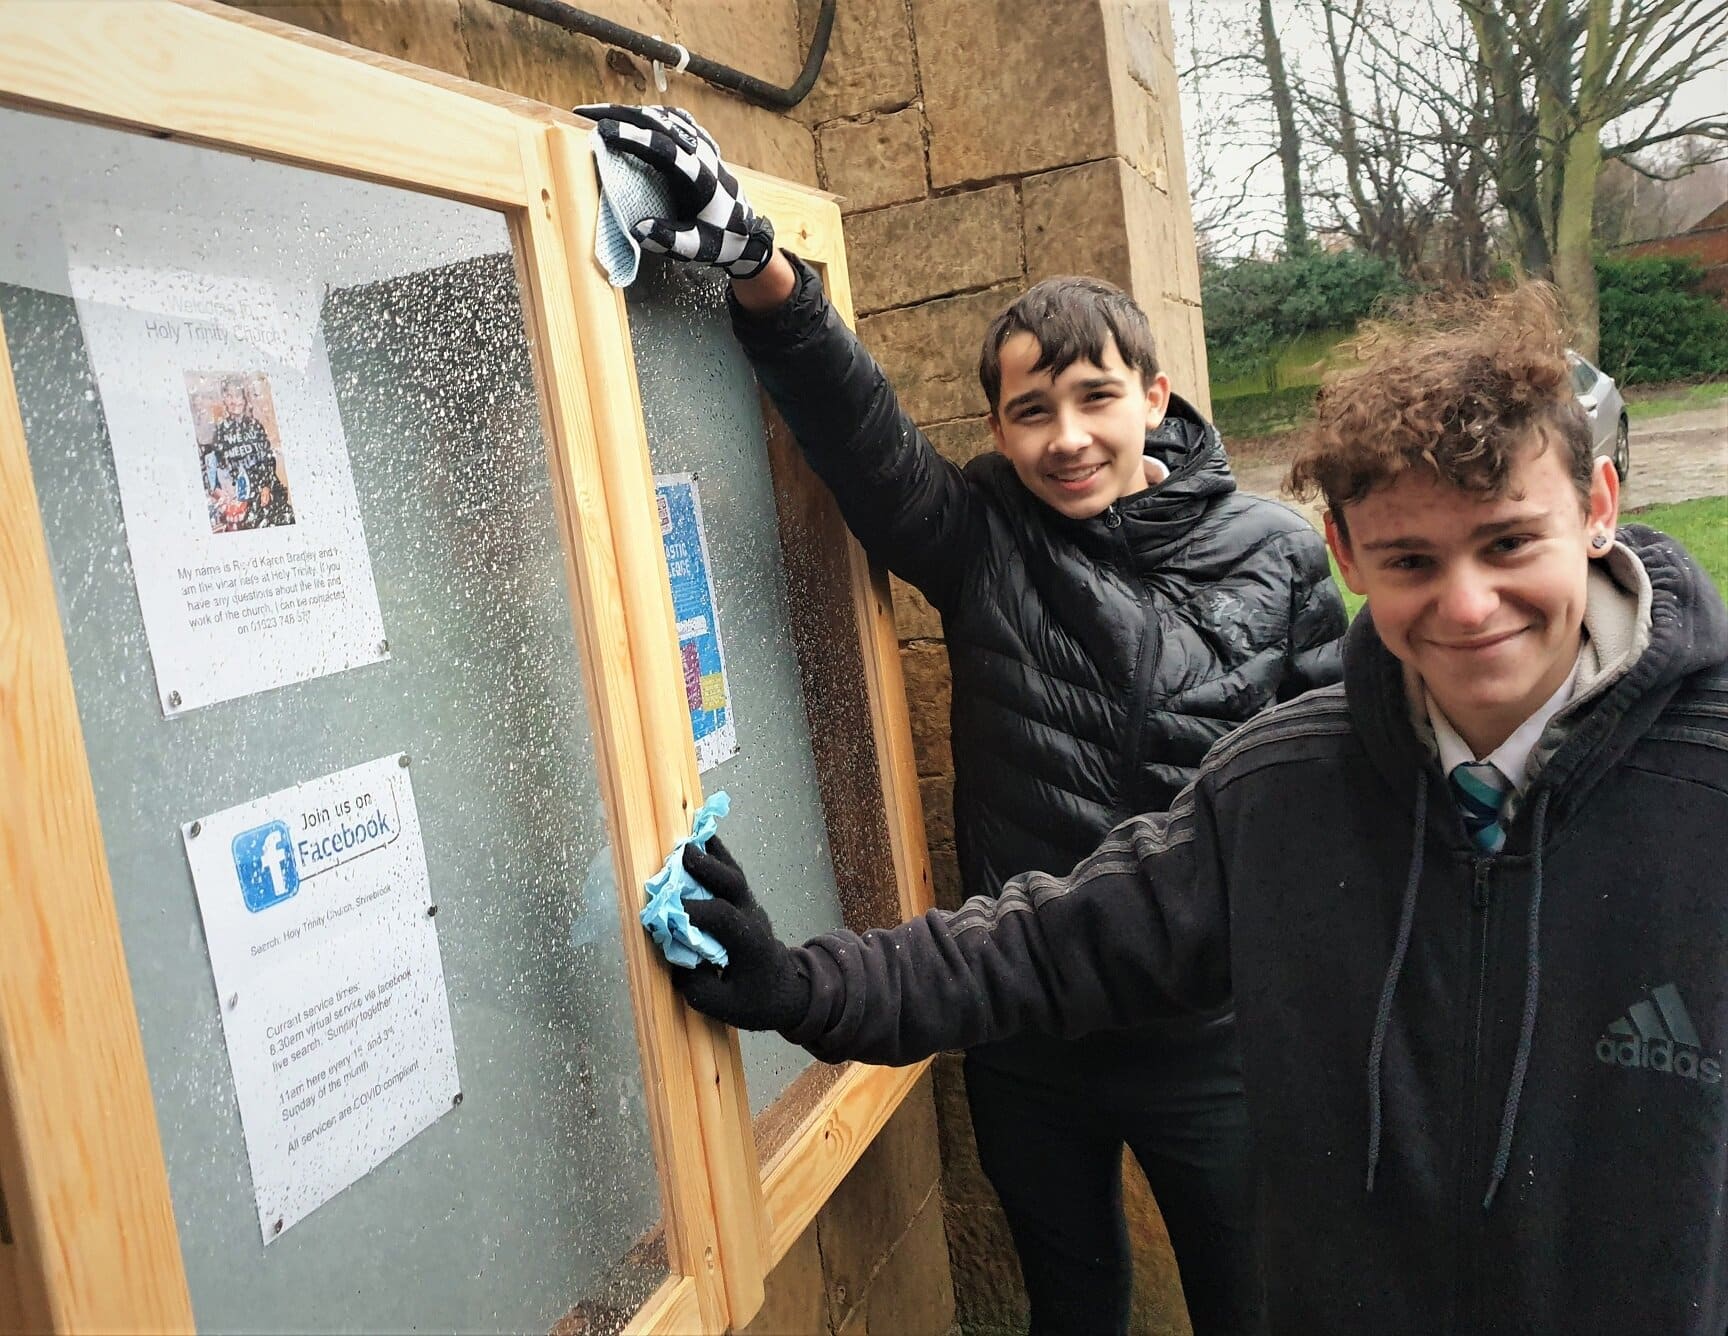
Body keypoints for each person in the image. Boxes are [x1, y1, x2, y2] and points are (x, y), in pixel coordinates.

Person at [669, 283, 1728, 1333]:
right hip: (1061, 1060)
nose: (1464, 602)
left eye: (1506, 542)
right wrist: (798, 982)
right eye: (1412, 559)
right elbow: (1042, 941)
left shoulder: (1702, 776)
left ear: (1596, 508)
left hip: (1218, 1059)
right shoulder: (1286, 784)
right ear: (1354, 554)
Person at [578, 104, 1345, 1334]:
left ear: (1155, 394)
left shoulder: (1279, 554)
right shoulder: (984, 537)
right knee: (1071, 1304)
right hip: (1023, 1025)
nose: (1067, 437)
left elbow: (1342, 797)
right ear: (997, 427)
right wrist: (760, 267)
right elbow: (864, 439)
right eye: (1030, 411)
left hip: (1215, 1042)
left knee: (1255, 1305)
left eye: (1096, 397)